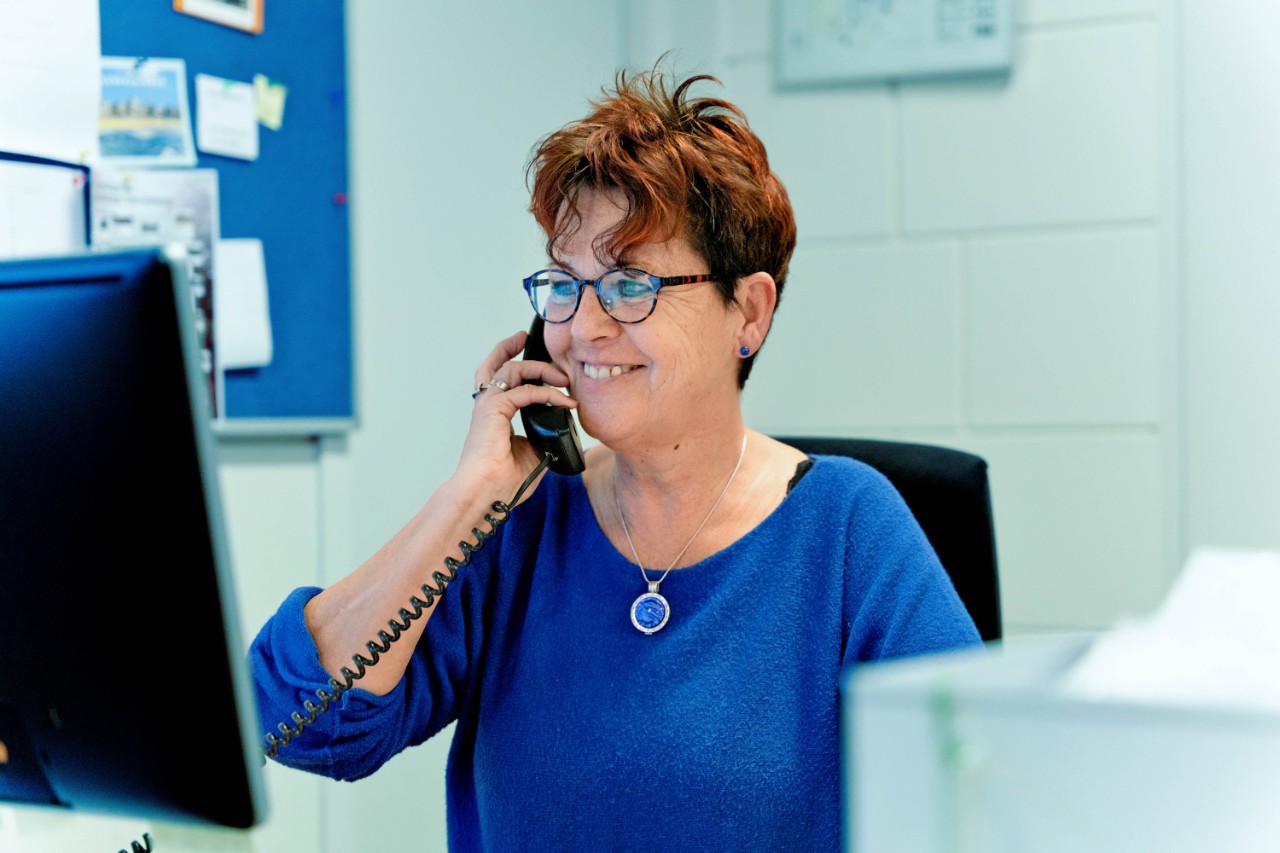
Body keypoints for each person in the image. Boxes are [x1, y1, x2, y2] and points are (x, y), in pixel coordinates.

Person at [249, 65, 982, 851]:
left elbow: (983, 794)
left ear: (750, 311)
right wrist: (469, 497)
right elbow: (301, 727)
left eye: (630, 284)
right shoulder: (519, 523)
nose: (585, 326)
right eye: (565, 283)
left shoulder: (845, 530)